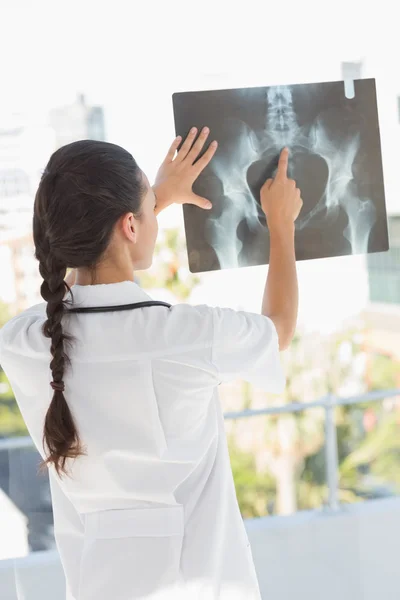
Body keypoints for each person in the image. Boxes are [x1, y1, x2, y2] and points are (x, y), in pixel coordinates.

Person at [0, 128, 302, 599]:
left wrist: (146, 201)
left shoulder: (22, 343)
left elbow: (98, 262)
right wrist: (282, 223)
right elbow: (279, 327)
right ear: (130, 225)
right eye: (147, 209)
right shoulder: (189, 335)